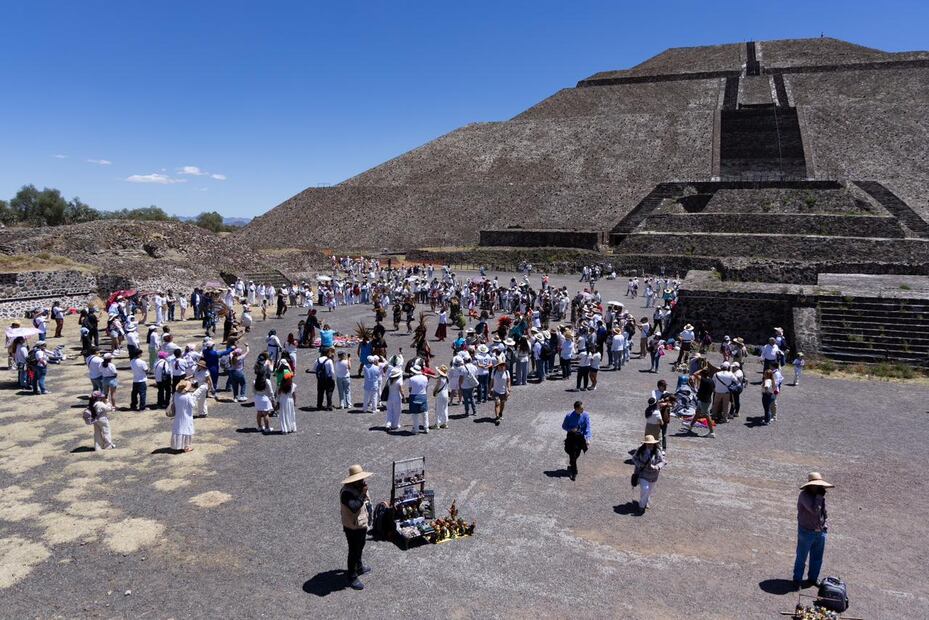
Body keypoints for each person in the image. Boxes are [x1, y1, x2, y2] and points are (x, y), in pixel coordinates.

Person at [793, 472, 833, 588]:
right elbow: (814, 510)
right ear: (810, 485)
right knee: (801, 557)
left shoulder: (819, 496)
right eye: (817, 485)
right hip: (806, 531)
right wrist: (820, 497)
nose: (820, 488)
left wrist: (825, 525)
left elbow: (822, 512)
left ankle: (813, 578)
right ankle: (797, 580)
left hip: (819, 531)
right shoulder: (804, 496)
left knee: (817, 558)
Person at [340, 464, 374, 591]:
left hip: (361, 525)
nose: (363, 481)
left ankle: (359, 567)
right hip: (352, 527)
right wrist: (362, 494)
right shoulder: (346, 493)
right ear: (353, 481)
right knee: (353, 550)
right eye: (360, 480)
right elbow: (354, 507)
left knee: (360, 546)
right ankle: (352, 576)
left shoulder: (360, 488)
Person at [168, 379, 208, 452]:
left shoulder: (175, 394)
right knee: (187, 431)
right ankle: (186, 447)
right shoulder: (187, 396)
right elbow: (192, 405)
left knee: (178, 429)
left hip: (178, 415)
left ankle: (177, 445)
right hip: (186, 416)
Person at [632, 434, 666, 515]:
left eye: (651, 443)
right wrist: (640, 464)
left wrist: (656, 467)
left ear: (654, 443)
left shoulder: (657, 451)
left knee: (648, 491)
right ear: (645, 443)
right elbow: (634, 458)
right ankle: (641, 506)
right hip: (643, 474)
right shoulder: (640, 450)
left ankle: (646, 500)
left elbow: (663, 461)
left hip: (653, 475)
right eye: (648, 443)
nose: (650, 445)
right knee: (645, 489)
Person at [561, 401, 591, 481]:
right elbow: (564, 426)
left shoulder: (586, 415)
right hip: (571, 438)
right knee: (572, 454)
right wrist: (571, 429)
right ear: (576, 409)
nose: (583, 409)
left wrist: (588, 439)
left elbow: (588, 428)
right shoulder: (569, 416)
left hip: (580, 438)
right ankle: (574, 472)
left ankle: (571, 465)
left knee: (576, 454)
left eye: (583, 408)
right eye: (581, 408)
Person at [682, 369, 716, 438]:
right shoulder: (711, 381)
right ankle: (690, 425)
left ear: (703, 374)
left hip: (704, 401)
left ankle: (712, 432)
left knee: (707, 415)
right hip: (705, 399)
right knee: (698, 412)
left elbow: (694, 374)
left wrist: (701, 369)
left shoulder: (703, 380)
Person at [253, 356, 276, 433]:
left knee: (259, 413)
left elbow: (254, 391)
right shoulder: (267, 381)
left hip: (257, 398)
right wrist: (273, 400)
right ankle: (267, 428)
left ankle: (259, 427)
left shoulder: (254, 381)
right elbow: (271, 392)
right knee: (266, 414)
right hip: (265, 398)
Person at [407, 364, 430, 433]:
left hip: (414, 396)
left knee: (415, 414)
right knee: (425, 413)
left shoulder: (411, 379)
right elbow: (426, 387)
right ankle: (426, 428)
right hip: (423, 395)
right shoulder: (425, 378)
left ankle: (416, 429)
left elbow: (410, 390)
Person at [490, 359, 511, 426]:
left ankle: (500, 413)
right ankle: (497, 417)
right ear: (498, 366)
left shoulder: (507, 372)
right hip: (496, 391)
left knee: (502, 403)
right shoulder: (494, 372)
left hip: (504, 391)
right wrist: (490, 388)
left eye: (503, 365)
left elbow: (508, 381)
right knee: (497, 403)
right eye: (501, 365)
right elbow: (492, 381)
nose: (502, 366)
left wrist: (509, 388)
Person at [384, 367, 404, 431]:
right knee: (397, 411)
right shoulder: (399, 381)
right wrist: (403, 397)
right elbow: (401, 390)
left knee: (389, 411)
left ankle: (388, 423)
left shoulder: (388, 380)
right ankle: (395, 425)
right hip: (397, 398)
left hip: (389, 397)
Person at [432, 364, 450, 429]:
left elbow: (437, 387)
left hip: (440, 394)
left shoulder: (440, 378)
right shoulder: (447, 378)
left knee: (438, 409)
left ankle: (437, 424)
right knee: (445, 408)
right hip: (446, 395)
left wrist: (434, 392)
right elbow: (435, 376)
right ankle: (445, 423)